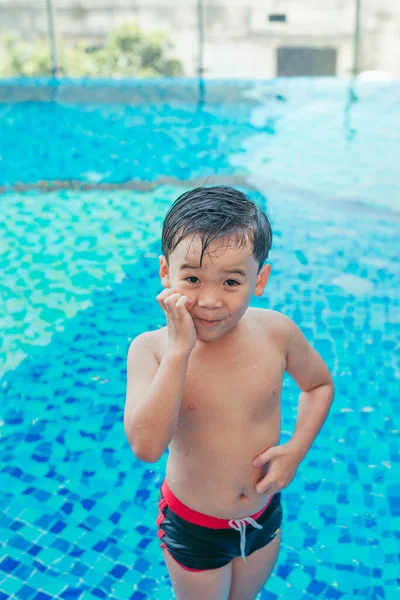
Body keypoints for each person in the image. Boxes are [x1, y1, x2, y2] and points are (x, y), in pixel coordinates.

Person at [124, 186, 335, 600]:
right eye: (192, 278)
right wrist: (179, 351)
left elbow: (319, 384)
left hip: (262, 515)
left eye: (231, 281)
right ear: (166, 272)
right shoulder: (151, 350)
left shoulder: (277, 333)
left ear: (259, 280)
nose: (209, 300)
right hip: (195, 526)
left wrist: (296, 449)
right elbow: (147, 448)